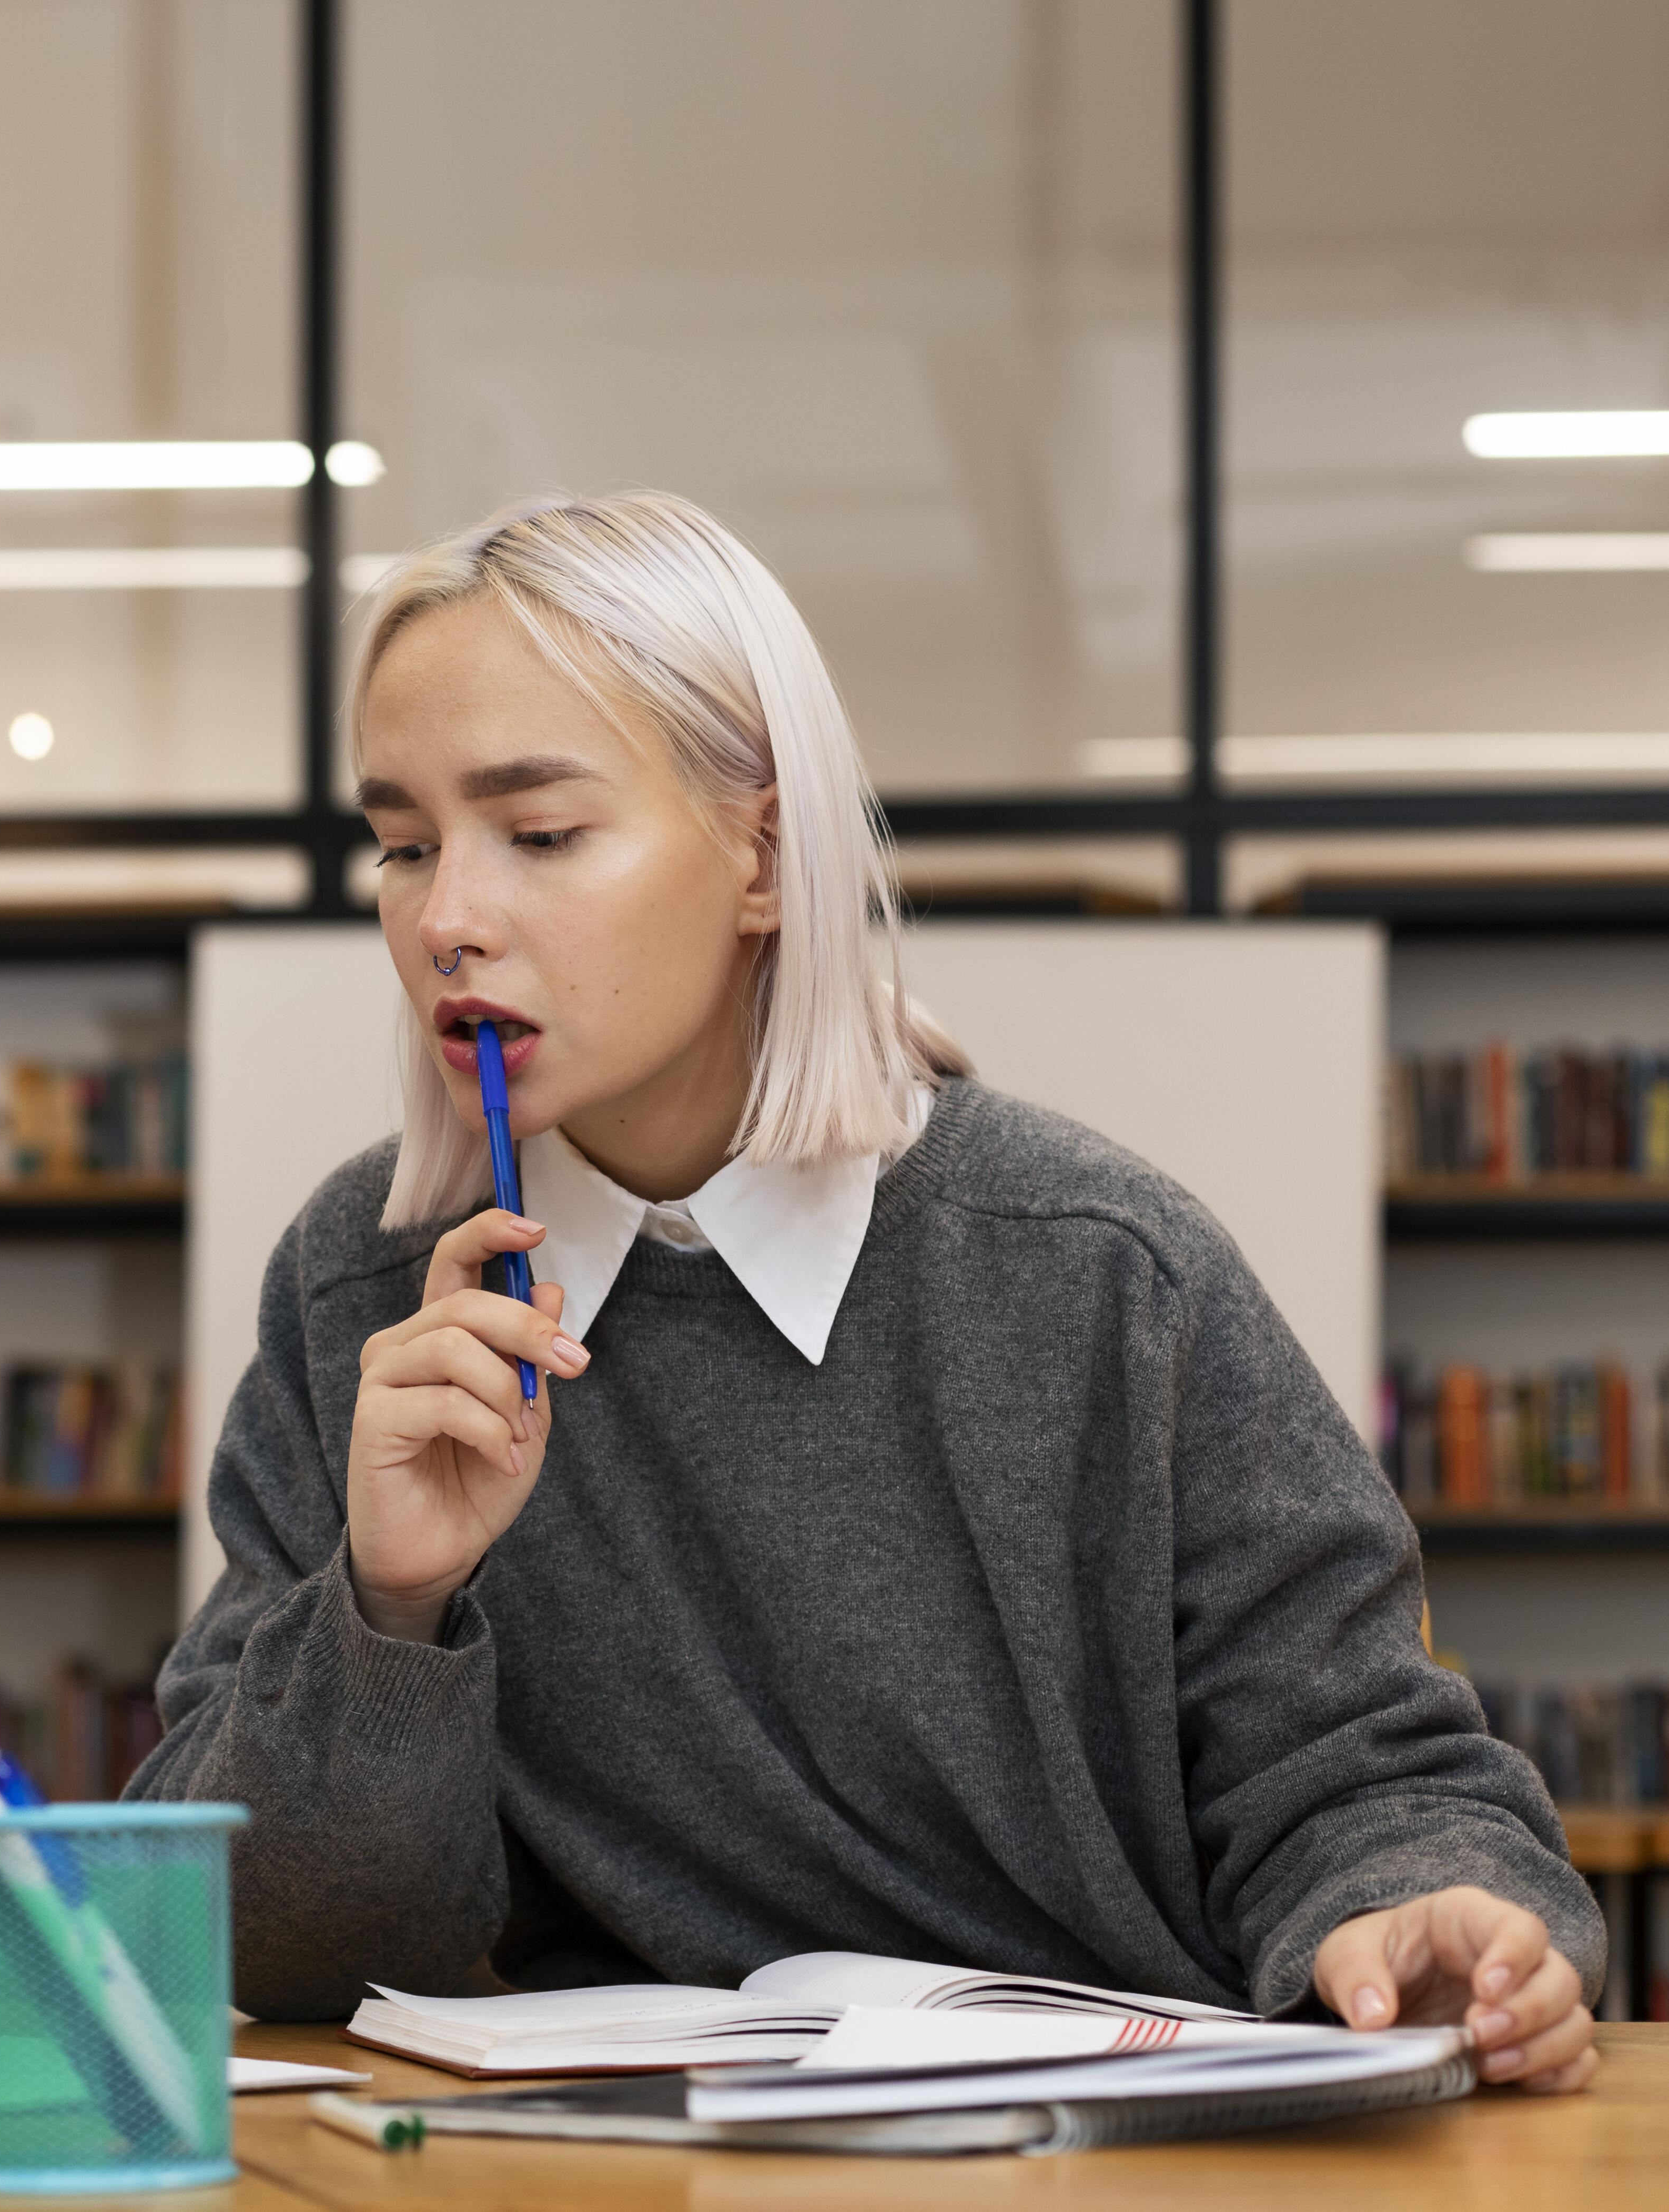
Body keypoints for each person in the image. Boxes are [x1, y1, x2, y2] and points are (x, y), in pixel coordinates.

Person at [127, 490, 1604, 2094]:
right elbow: (262, 1947)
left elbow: (1365, 1767)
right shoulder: (364, 1290)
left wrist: (1422, 1910)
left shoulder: (1099, 1269)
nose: (446, 919)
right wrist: (390, 1608)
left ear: (762, 854)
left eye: (539, 834)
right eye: (403, 846)